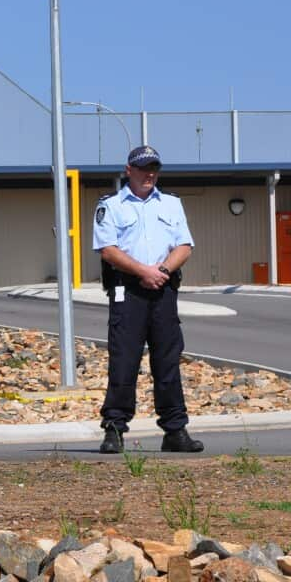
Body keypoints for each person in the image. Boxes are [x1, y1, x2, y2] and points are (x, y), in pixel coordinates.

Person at [92, 145, 203, 454]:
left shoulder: (171, 204)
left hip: (163, 287)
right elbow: (108, 249)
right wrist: (143, 271)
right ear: (129, 170)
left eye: (154, 167)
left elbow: (184, 245)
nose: (149, 173)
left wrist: (162, 271)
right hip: (126, 289)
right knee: (124, 360)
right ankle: (114, 429)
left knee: (168, 359)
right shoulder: (111, 206)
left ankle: (175, 430)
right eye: (143, 168)